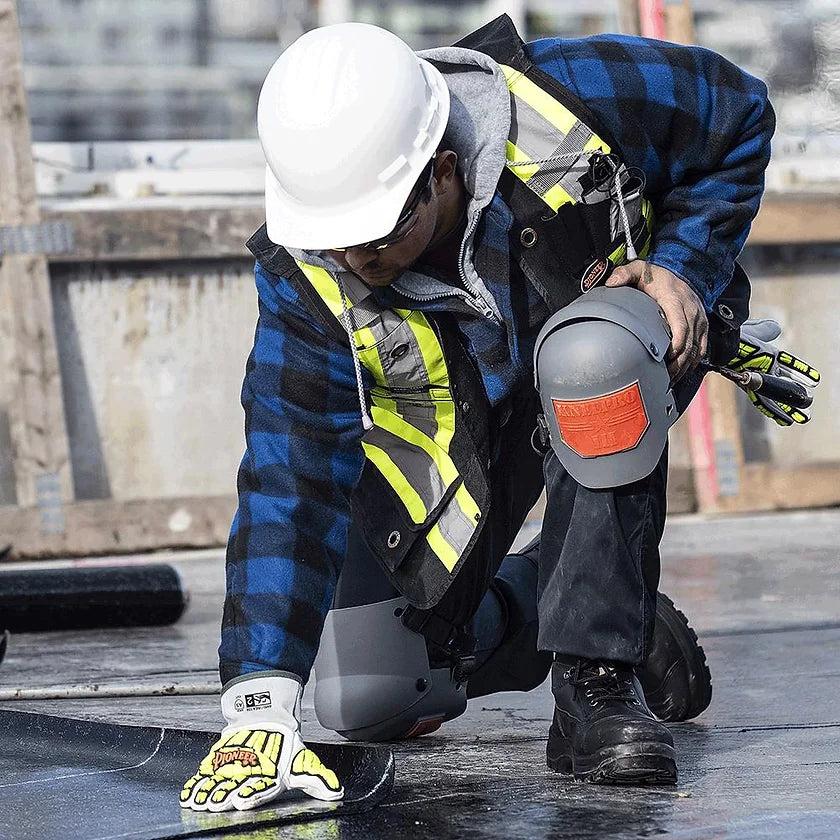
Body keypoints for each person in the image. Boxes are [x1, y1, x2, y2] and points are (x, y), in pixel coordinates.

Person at [179, 14, 805, 811]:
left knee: (591, 360)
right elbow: (288, 476)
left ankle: (596, 684)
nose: (353, 261)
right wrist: (258, 708)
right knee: (371, 695)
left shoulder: (571, 98)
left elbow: (738, 111)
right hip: (461, 432)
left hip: (609, 351)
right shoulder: (309, 274)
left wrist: (684, 269)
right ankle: (598, 603)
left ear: (442, 172)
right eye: (334, 242)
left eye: (374, 237)